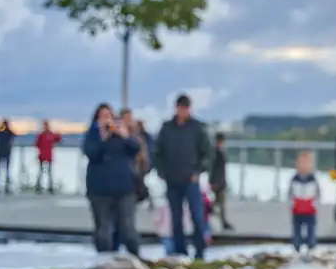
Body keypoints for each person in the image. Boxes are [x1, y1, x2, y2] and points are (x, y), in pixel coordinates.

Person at [153, 94, 212, 259]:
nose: (183, 111)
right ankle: (180, 250)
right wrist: (161, 172)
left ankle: (200, 251)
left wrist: (198, 171)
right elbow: (158, 152)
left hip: (191, 179)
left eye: (186, 108)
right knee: (176, 217)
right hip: (172, 179)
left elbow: (207, 153)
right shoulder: (167, 128)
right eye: (181, 108)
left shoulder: (198, 128)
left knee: (197, 216)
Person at [83, 103, 142, 257]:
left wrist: (124, 135)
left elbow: (135, 149)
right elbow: (91, 153)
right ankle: (104, 260)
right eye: (102, 117)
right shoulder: (92, 135)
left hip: (124, 188)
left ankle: (136, 258)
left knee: (128, 228)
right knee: (104, 230)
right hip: (100, 190)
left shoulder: (121, 134)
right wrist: (103, 138)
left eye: (108, 116)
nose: (106, 120)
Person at [289, 150, 320, 253]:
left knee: (311, 230)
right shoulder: (294, 179)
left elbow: (317, 193)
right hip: (297, 210)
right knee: (296, 230)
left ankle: (311, 246)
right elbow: (290, 193)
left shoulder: (313, 179)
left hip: (310, 210)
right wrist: (292, 203)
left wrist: (315, 203)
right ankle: (296, 246)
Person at [209, 132, 234, 231]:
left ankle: (223, 222)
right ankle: (211, 221)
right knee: (215, 204)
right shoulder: (215, 152)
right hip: (217, 182)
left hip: (220, 181)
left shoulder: (219, 151)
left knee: (220, 203)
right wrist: (213, 182)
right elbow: (213, 168)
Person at [34, 120, 62, 193]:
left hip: (48, 156)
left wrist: (58, 133)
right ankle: (39, 187)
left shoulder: (50, 134)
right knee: (41, 172)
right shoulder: (42, 135)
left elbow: (58, 139)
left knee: (49, 172)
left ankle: (50, 188)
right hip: (42, 156)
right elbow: (37, 144)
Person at [0, 119, 16, 193]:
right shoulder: (0, 132)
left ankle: (6, 187)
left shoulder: (9, 132)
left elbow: (14, 134)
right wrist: (0, 127)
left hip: (6, 153)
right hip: (1, 152)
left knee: (6, 171)